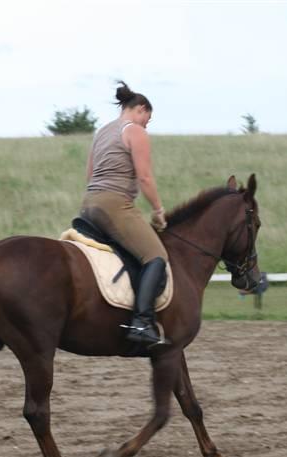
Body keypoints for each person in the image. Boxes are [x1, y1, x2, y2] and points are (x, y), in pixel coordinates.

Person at [80, 81, 170, 348]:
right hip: (114, 204)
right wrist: (158, 210)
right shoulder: (135, 132)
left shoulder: (101, 132)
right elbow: (144, 177)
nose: (147, 125)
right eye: (148, 119)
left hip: (88, 205)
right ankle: (142, 323)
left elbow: (90, 175)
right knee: (156, 255)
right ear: (140, 109)